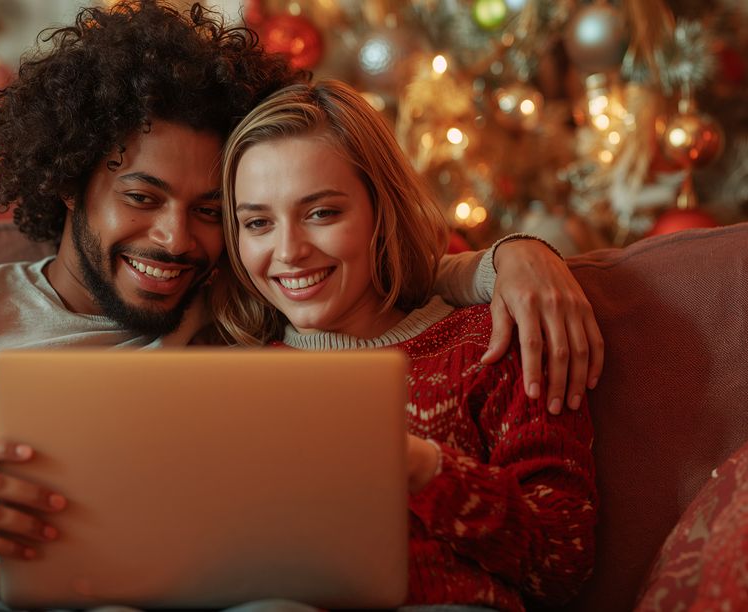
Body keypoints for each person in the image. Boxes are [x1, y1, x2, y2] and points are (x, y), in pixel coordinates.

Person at [0, 2, 601, 609]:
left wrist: (503, 263)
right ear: (69, 179)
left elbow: (356, 281)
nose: (176, 241)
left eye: (210, 213)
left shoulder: (229, 321)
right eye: (142, 197)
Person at [213, 79, 597, 611]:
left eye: (322, 213)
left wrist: (422, 468)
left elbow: (562, 560)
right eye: (257, 223)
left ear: (381, 211)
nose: (289, 251)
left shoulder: (490, 341)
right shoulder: (225, 382)